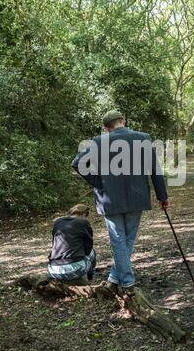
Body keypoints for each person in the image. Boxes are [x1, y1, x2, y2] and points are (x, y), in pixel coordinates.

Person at [72, 111, 169, 294]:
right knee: (127, 239)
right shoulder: (143, 138)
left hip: (109, 199)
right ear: (123, 121)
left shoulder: (98, 142)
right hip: (137, 197)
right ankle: (125, 281)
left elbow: (77, 163)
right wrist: (162, 196)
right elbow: (155, 170)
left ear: (106, 127)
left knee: (118, 240)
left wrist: (98, 182)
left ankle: (120, 280)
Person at [48, 204, 96, 282]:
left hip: (53, 270)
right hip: (74, 269)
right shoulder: (83, 222)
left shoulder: (58, 222)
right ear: (84, 214)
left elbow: (54, 244)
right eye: (86, 215)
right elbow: (88, 247)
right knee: (92, 252)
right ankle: (90, 278)